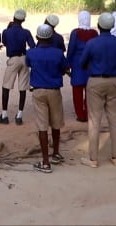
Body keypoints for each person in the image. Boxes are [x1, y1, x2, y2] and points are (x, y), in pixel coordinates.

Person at [79, 12, 116, 168]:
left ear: (98, 25)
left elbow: (82, 61)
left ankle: (93, 158)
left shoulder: (92, 43)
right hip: (113, 81)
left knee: (94, 120)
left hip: (96, 80)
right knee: (114, 120)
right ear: (112, 26)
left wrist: (91, 67)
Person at [26, 24, 68, 173]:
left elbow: (28, 65)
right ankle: (56, 153)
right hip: (54, 90)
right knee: (56, 124)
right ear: (51, 37)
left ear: (37, 37)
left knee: (42, 126)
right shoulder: (58, 53)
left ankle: (45, 162)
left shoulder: (31, 53)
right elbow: (64, 69)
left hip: (38, 91)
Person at [0, 9, 35, 125]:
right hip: (24, 58)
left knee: (6, 86)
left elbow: (4, 42)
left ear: (13, 18)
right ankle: (19, 115)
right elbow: (32, 46)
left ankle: (4, 115)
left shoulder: (6, 31)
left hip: (13, 59)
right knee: (23, 87)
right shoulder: (26, 32)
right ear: (23, 20)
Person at [66, 11, 97, 122]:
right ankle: (88, 113)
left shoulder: (75, 33)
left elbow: (71, 49)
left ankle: (80, 114)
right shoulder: (94, 33)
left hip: (77, 64)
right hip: (90, 65)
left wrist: (67, 64)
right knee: (90, 91)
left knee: (77, 91)